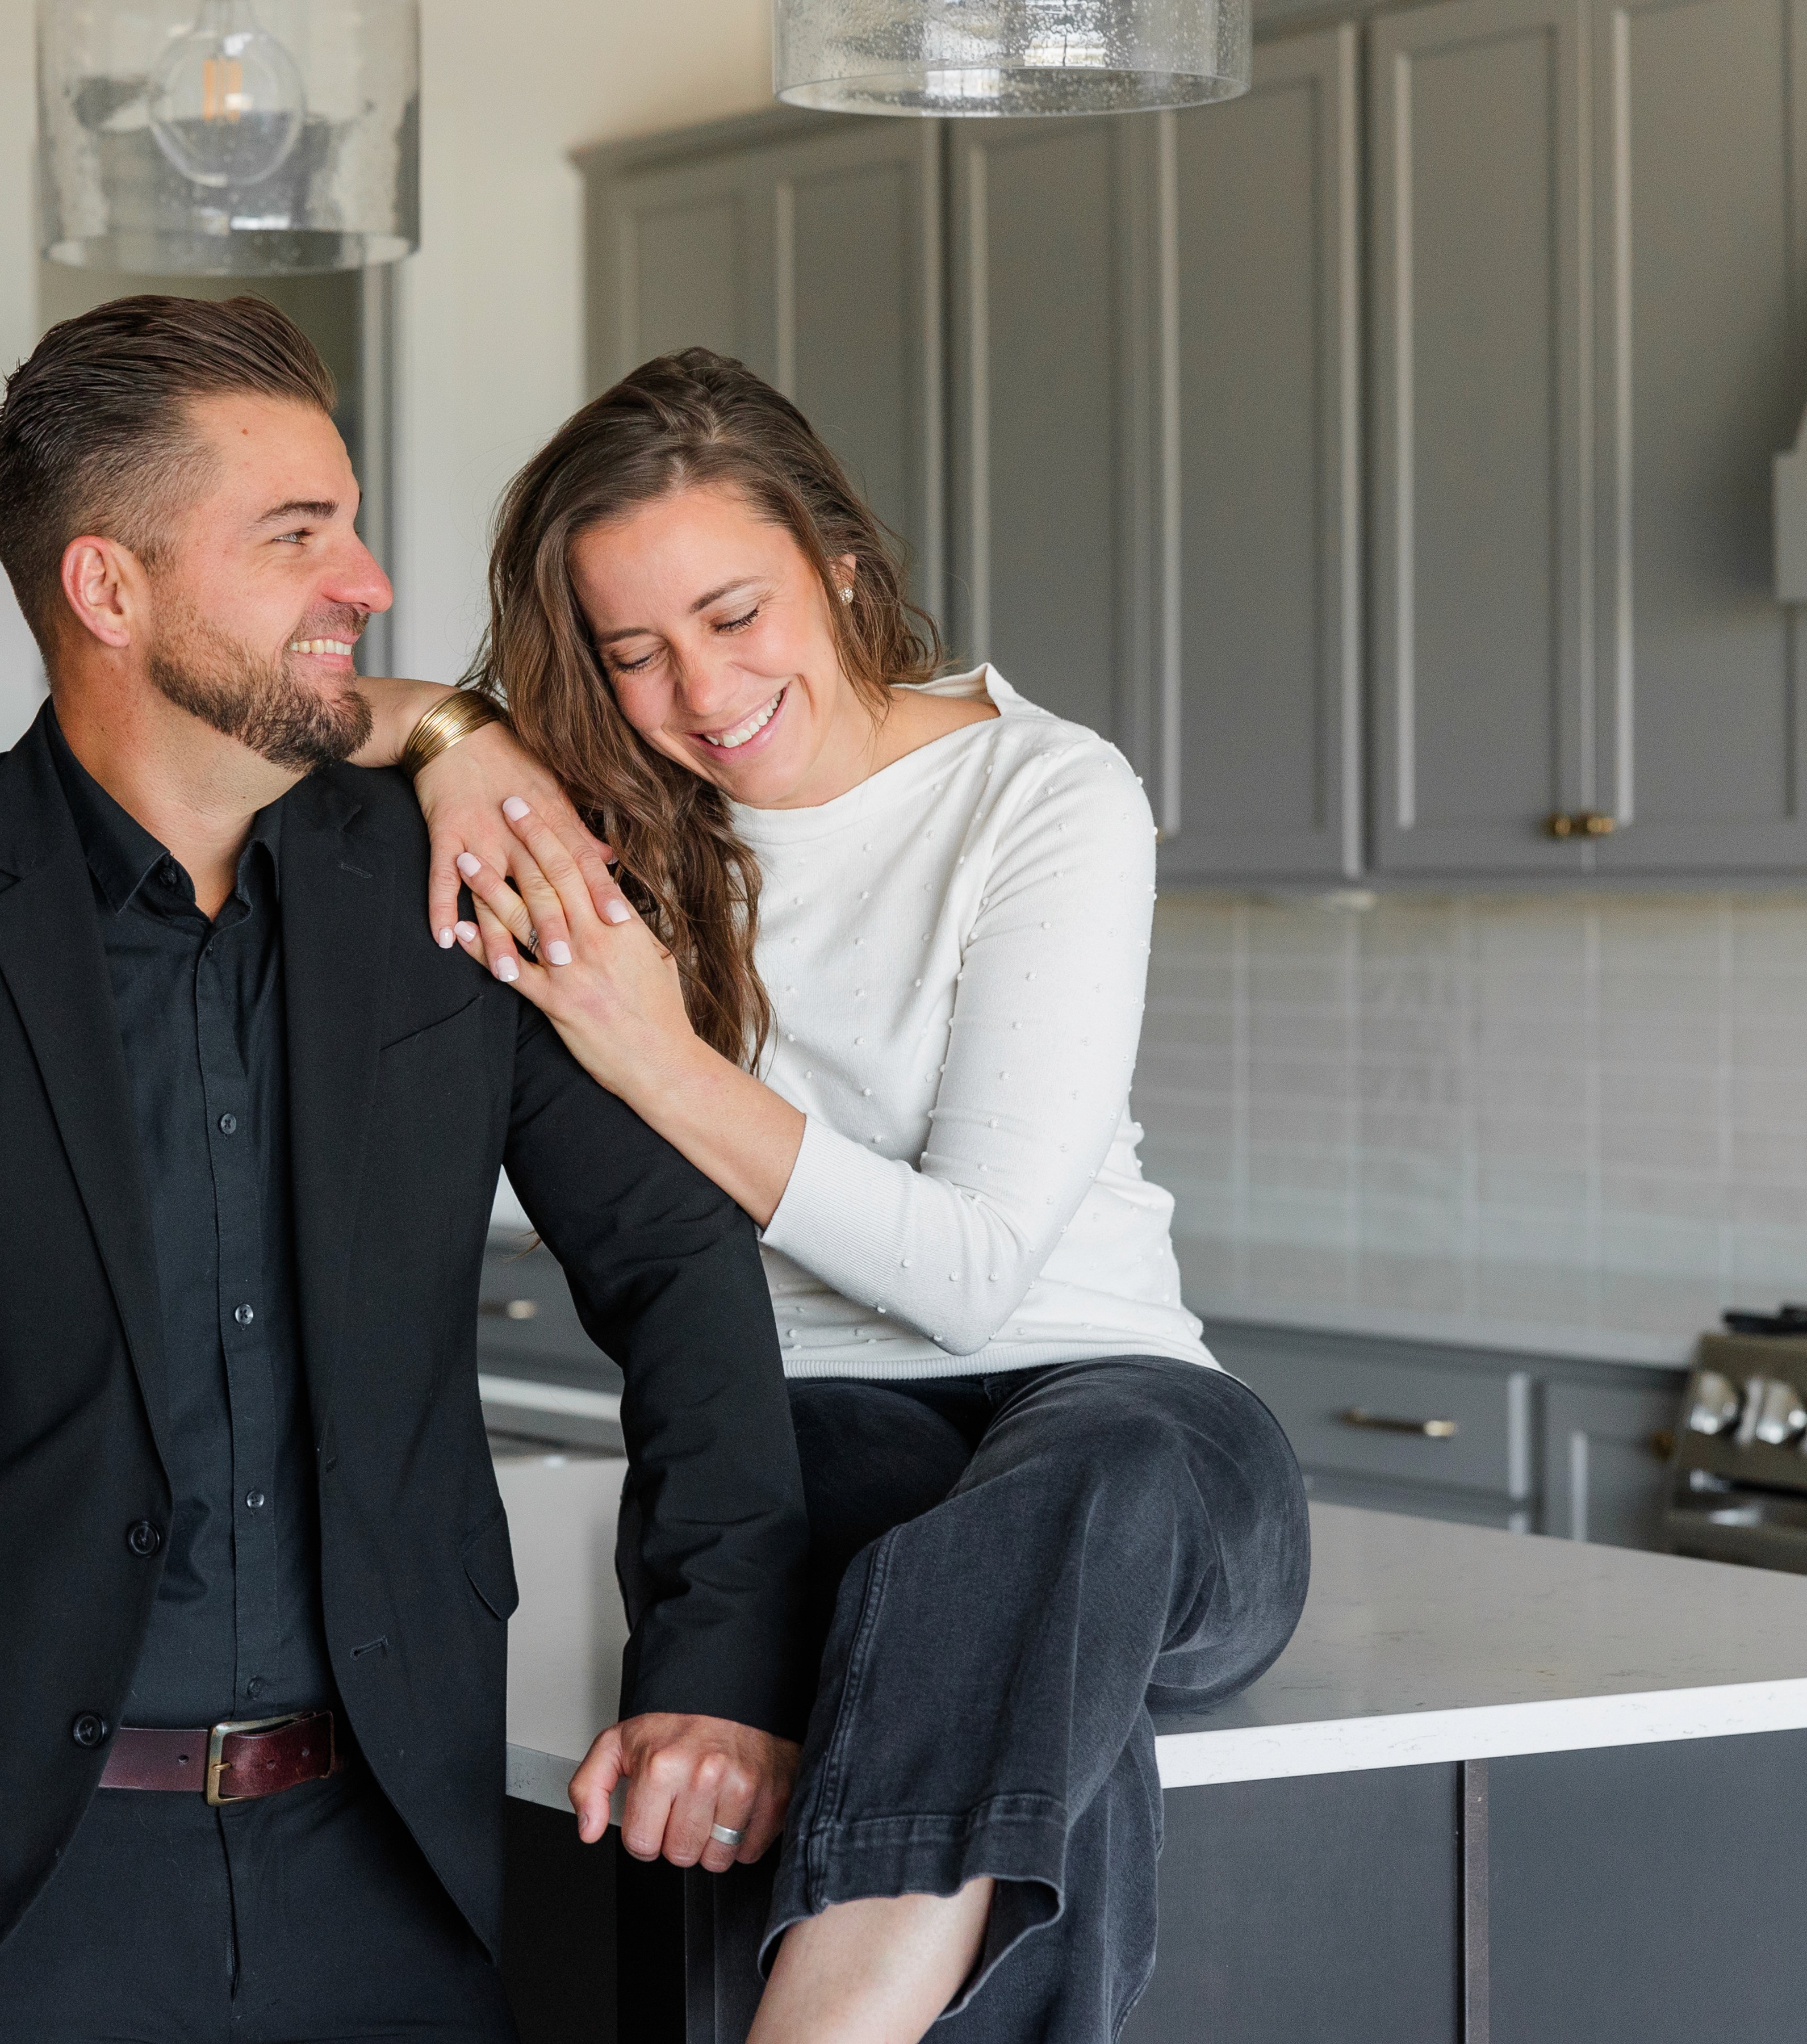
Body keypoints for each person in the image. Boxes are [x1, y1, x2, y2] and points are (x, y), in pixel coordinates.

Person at [0, 300, 809, 2042]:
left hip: (389, 1879)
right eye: (298, 536)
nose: (368, 580)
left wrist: (717, 1668)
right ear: (109, 590)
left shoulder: (450, 888)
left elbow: (680, 1271)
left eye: (352, 523)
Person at [396, 348, 1312, 2044]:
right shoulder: (608, 808)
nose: (702, 690)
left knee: (1061, 1507)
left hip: (1136, 1423)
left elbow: (973, 1276)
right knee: (992, 1644)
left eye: (737, 614)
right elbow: (287, 711)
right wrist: (452, 733)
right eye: (633, 652)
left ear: (838, 562)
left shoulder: (1043, 794)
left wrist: (655, 1054)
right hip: (822, 1426)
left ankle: (826, 2017)